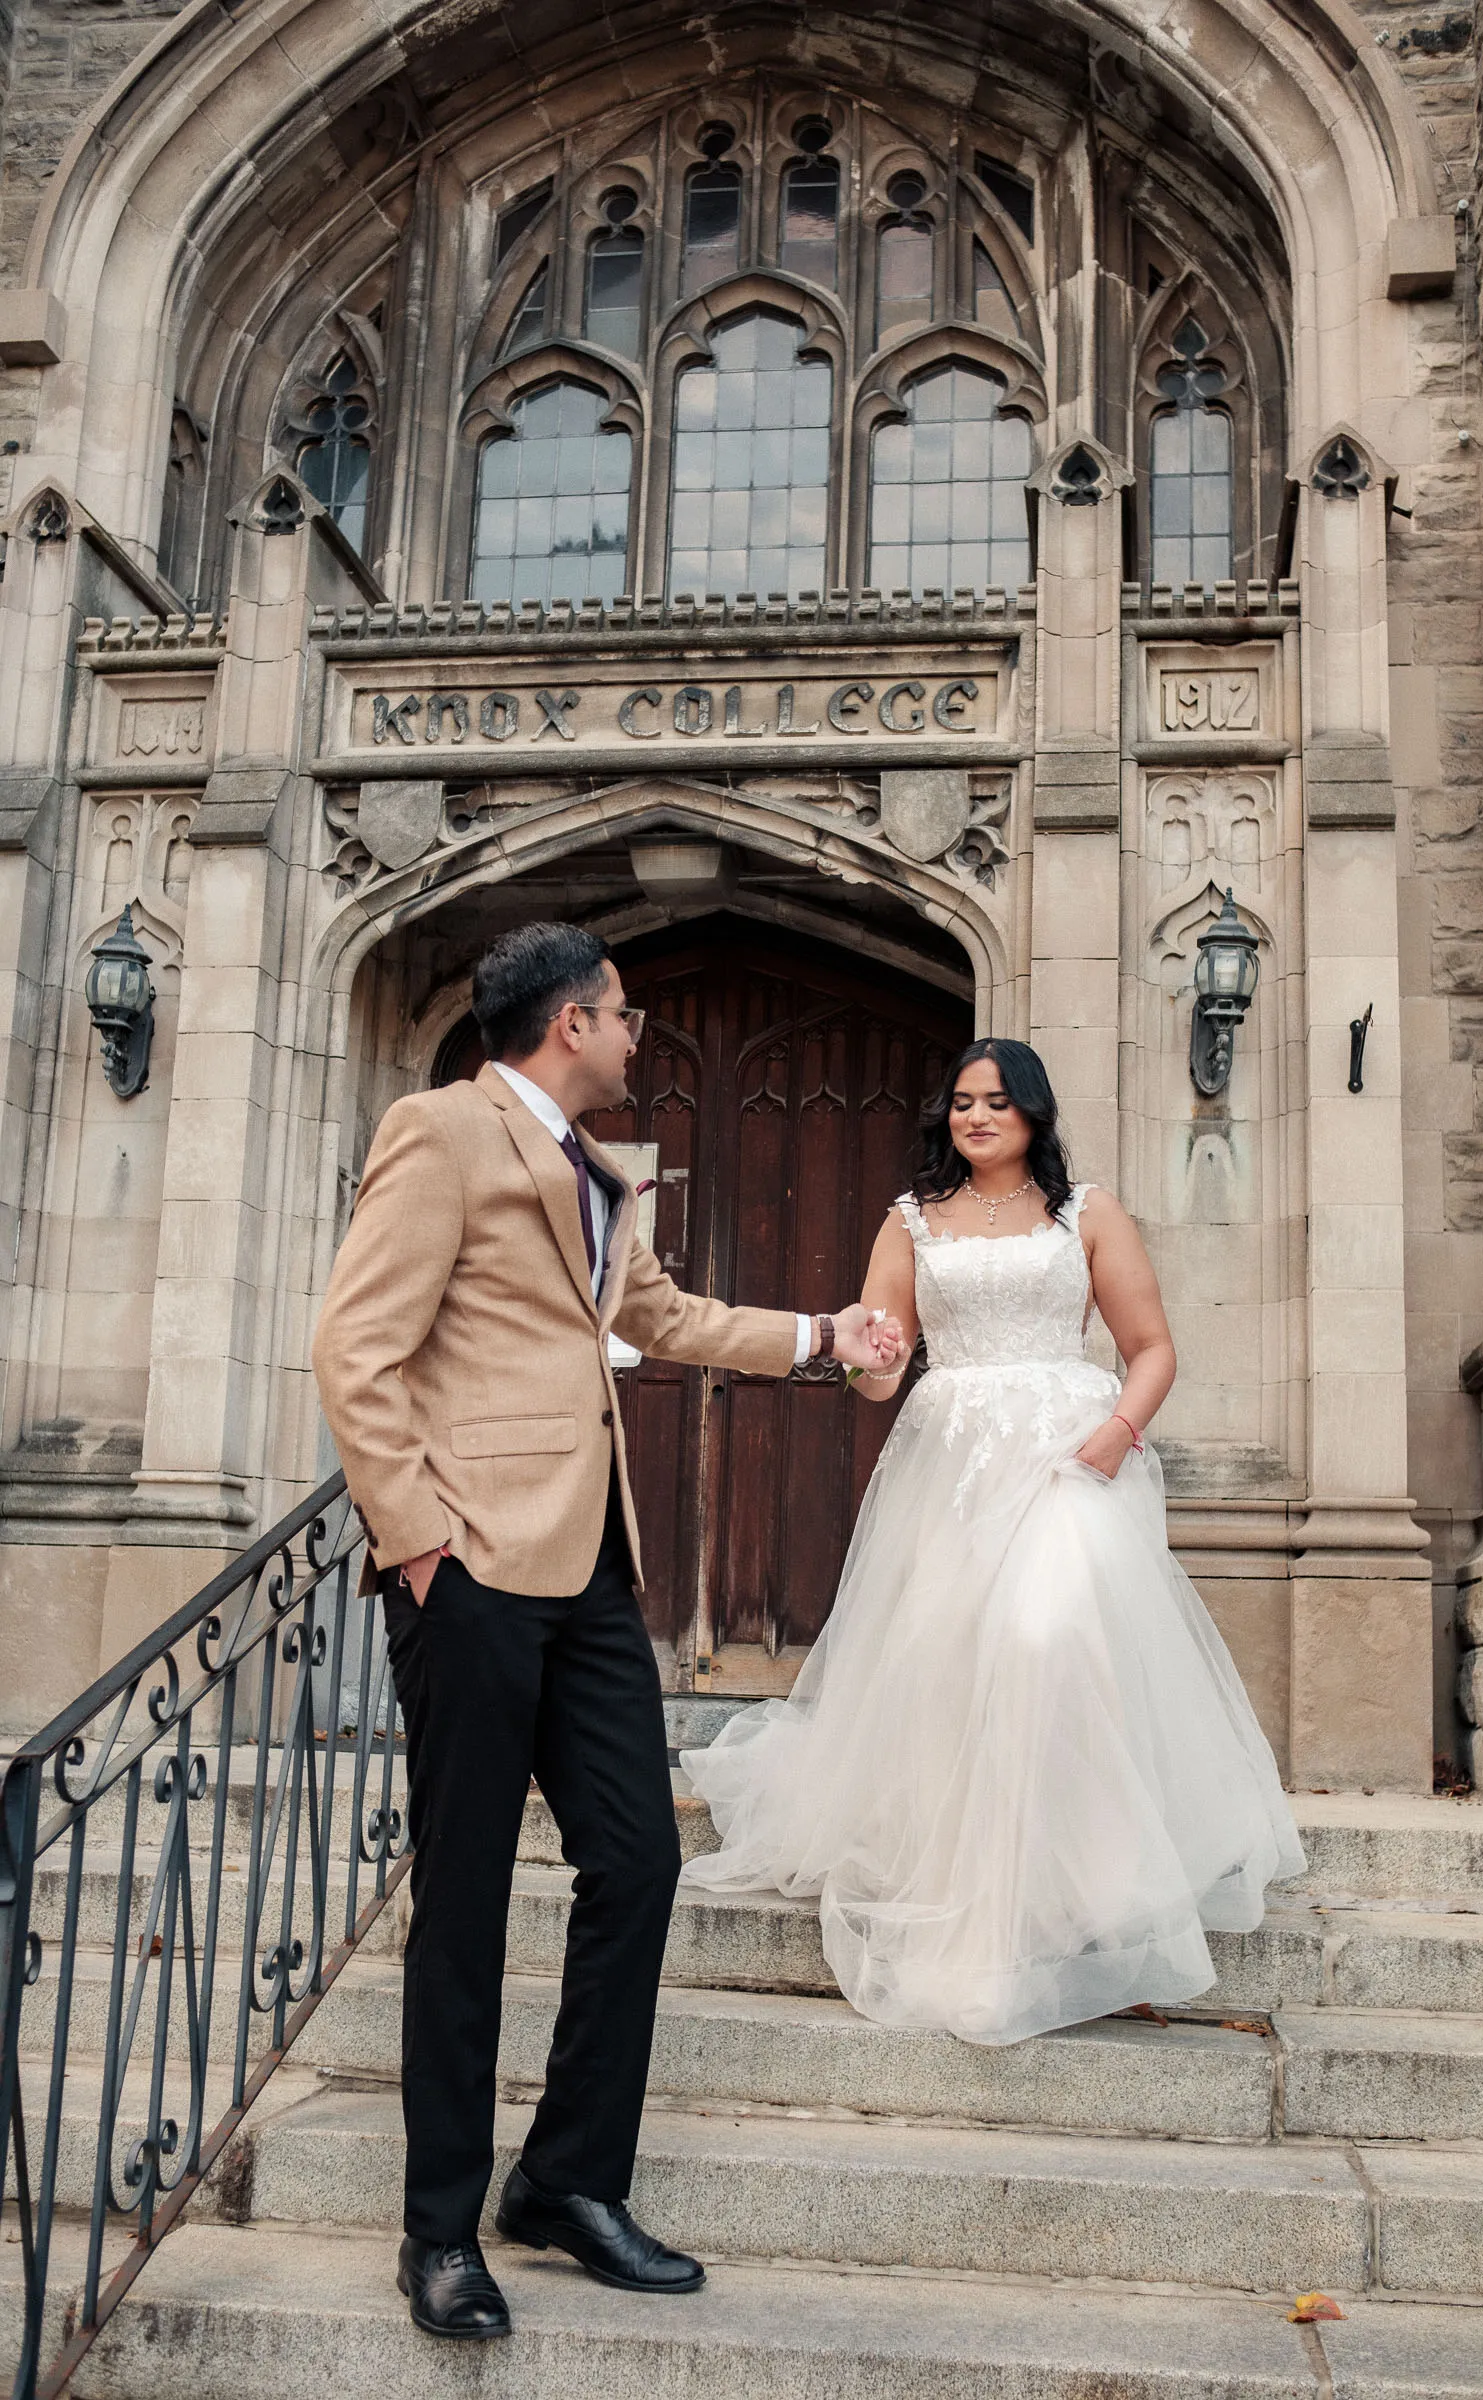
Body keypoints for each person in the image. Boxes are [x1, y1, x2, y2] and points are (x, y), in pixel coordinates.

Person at [311, 922, 901, 2341]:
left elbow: (659, 1318)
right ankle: (439, 2231)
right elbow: (357, 1346)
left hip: (587, 1565)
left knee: (635, 1863)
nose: (640, 1036)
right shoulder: (440, 1132)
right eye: (625, 1016)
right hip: (472, 1568)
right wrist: (419, 1544)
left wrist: (825, 1339)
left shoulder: (598, 1176)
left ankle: (567, 2180)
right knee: (460, 1903)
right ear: (571, 1023)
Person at [681, 1037, 1304, 2044]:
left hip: (1070, 1459)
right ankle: (993, 1895)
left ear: (1032, 1115)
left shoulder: (1086, 1212)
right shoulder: (909, 1223)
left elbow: (1152, 1349)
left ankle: (1096, 1887)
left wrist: (1110, 1439)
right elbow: (879, 1369)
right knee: (957, 1664)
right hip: (954, 1463)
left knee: (1046, 1638)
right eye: (964, 1102)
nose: (977, 1117)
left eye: (998, 1102)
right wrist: (863, 1358)